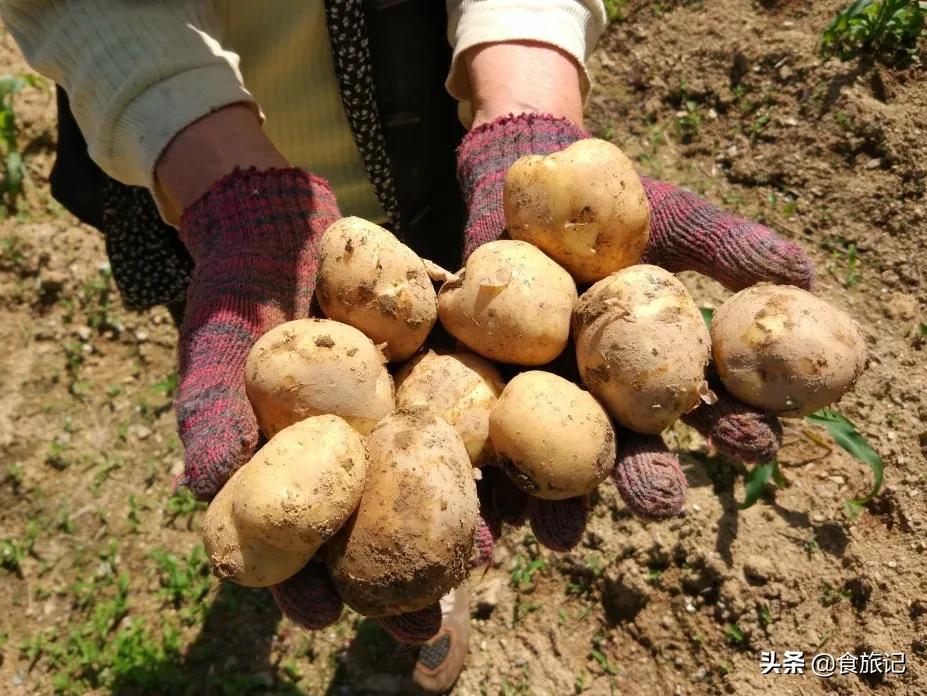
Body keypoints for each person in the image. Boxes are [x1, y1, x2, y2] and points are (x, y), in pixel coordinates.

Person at [2, 1, 814, 692]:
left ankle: (433, 559)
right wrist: (217, 179)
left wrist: (523, 88)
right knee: (251, 351)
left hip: (435, 145)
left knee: (438, 304)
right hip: (210, 164)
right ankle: (387, 541)